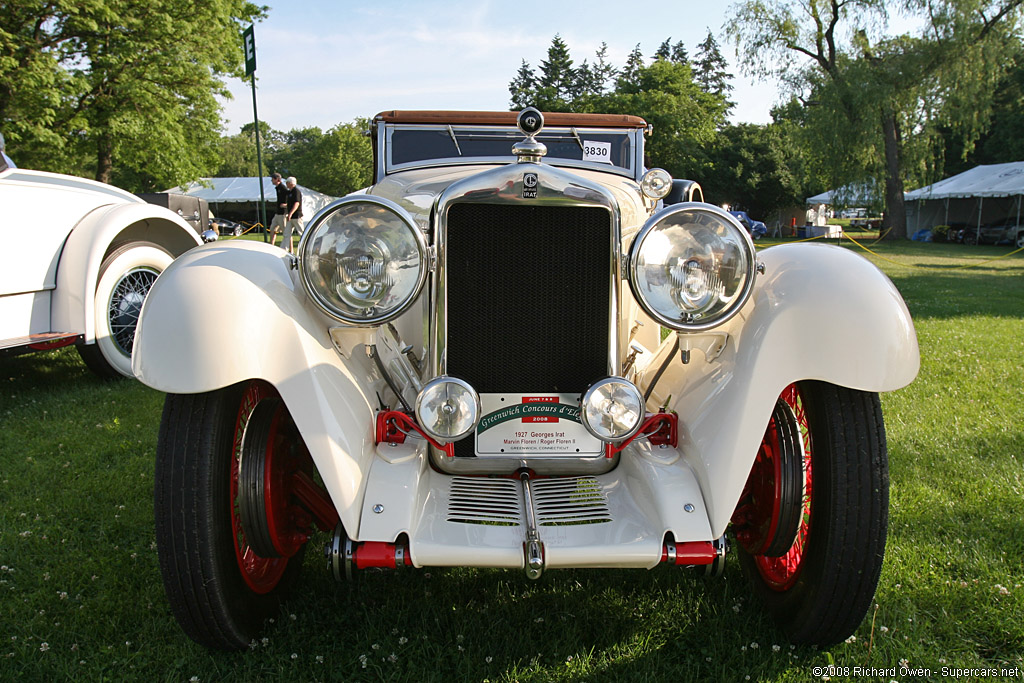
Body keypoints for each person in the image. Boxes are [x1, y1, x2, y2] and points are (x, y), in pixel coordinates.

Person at [282, 176, 303, 254]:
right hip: (291, 217)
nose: (286, 184)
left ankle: (304, 248)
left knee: (301, 233)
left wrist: (290, 213)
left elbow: (297, 203)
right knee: (286, 233)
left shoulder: (296, 191)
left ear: (291, 183)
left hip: (296, 216)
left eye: (287, 183)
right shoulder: (290, 192)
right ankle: (284, 250)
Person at [266, 173, 288, 247]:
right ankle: (271, 245)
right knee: (272, 229)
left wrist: (286, 205)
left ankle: (290, 248)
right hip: (277, 213)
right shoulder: (277, 188)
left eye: (273, 179)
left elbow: (290, 200)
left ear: (277, 179)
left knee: (286, 232)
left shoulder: (283, 188)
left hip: (283, 214)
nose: (271, 180)